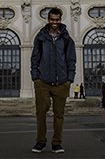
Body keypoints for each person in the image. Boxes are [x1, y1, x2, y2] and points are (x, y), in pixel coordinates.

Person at [30, 8, 76, 154]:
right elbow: (35, 57)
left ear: (60, 20)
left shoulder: (67, 39)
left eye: (57, 19)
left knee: (59, 114)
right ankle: (40, 142)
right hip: (42, 82)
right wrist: (35, 77)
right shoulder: (41, 37)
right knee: (41, 113)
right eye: (52, 19)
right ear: (48, 20)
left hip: (61, 82)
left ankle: (57, 143)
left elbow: (71, 60)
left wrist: (69, 79)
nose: (54, 22)